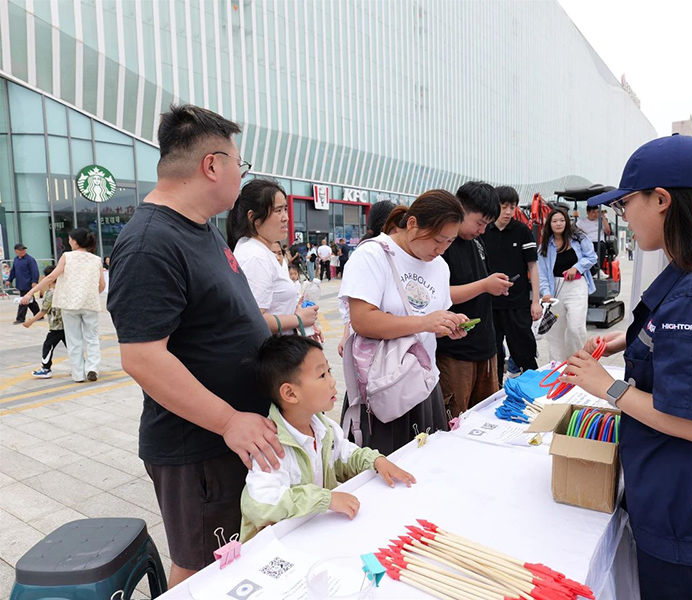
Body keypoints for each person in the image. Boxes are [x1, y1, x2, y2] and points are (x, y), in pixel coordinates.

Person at [561, 134, 692, 600]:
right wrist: (626, 340)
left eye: (626, 204)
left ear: (661, 200)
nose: (624, 216)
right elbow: (685, 340)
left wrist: (607, 388)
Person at [107, 105, 283, 587]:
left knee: (236, 558)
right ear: (212, 165)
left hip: (233, 437)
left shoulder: (201, 227)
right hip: (200, 446)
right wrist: (228, 421)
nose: (241, 175)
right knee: (203, 568)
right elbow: (142, 357)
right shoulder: (150, 243)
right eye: (239, 164)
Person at [240, 335, 415, 541]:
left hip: (316, 532)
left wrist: (376, 461)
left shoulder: (323, 427)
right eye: (322, 375)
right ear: (290, 393)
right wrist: (326, 499)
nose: (332, 381)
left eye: (329, 371)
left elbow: (345, 456)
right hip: (279, 546)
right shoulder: (270, 445)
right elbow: (262, 504)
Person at [339, 190, 469, 454]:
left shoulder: (440, 266)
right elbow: (362, 320)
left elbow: (429, 325)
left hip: (423, 381)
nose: (442, 249)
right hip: (383, 384)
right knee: (385, 467)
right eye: (438, 240)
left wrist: (446, 325)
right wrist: (424, 322)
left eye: (450, 241)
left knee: (424, 463)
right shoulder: (373, 255)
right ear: (412, 224)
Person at [436, 181, 512, 417]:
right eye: (480, 223)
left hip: (486, 347)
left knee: (487, 417)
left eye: (486, 225)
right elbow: (439, 295)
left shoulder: (476, 242)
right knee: (454, 420)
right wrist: (484, 285)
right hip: (455, 351)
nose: (482, 230)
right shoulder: (441, 245)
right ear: (460, 209)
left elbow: (478, 282)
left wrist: (493, 285)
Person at [227, 179, 318, 337]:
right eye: (278, 210)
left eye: (285, 209)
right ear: (253, 218)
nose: (285, 217)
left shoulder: (259, 250)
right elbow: (252, 320)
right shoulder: (255, 256)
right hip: (271, 349)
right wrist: (298, 319)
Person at [21, 228, 105, 383]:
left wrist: (29, 293)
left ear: (75, 241)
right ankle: (92, 368)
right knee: (92, 338)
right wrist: (90, 295)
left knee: (74, 340)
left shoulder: (67, 256)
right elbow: (102, 285)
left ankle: (78, 374)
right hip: (90, 304)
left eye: (70, 239)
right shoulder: (96, 260)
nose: (69, 241)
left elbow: (51, 277)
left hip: (69, 304)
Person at [482, 186, 542, 385]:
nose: (508, 212)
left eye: (512, 207)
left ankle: (533, 388)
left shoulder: (522, 231)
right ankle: (495, 390)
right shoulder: (483, 231)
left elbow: (533, 267)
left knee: (524, 351)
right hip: (490, 305)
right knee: (493, 354)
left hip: (518, 304)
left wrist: (535, 301)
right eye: (504, 206)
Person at [337, 201, 397, 359]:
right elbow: (353, 306)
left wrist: (346, 334)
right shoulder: (368, 254)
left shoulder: (389, 252)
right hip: (375, 348)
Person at [537, 208, 597, 363]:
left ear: (567, 222)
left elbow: (592, 257)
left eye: (562, 220)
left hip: (576, 285)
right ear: (549, 224)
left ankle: (578, 362)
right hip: (555, 290)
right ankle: (557, 366)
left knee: (575, 327)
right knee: (555, 333)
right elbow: (542, 273)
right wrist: (546, 292)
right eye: (555, 221)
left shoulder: (579, 238)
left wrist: (576, 267)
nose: (558, 224)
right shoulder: (545, 246)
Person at [23, 265, 66, 379]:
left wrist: (30, 321)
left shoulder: (50, 293)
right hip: (67, 324)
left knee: (48, 346)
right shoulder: (65, 290)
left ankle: (46, 368)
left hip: (56, 326)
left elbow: (43, 311)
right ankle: (82, 365)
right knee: (72, 347)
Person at [10, 243, 40, 324]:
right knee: (31, 301)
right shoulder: (16, 260)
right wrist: (9, 280)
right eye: (20, 250)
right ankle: (38, 315)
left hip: (28, 284)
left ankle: (20, 318)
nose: (23, 251)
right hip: (20, 284)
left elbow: (35, 271)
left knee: (24, 301)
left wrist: (34, 281)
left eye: (23, 249)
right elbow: (13, 271)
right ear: (16, 251)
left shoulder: (30, 259)